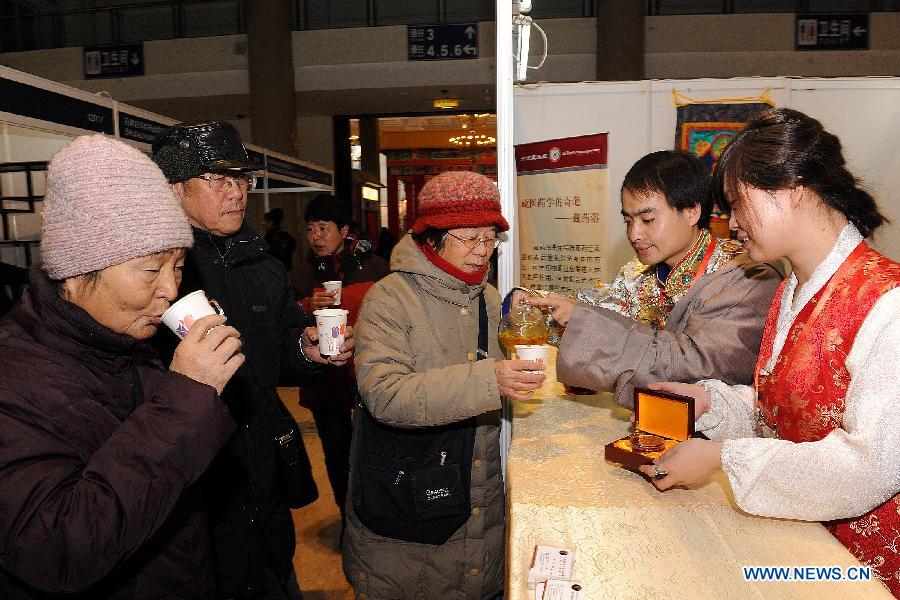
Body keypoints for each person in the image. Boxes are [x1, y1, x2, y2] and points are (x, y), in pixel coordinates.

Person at [638, 108, 900, 596]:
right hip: (800, 541)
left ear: (792, 188)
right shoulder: (790, 290)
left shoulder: (887, 304)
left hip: (863, 569)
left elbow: (870, 467)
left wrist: (722, 456)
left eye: (738, 204)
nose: (732, 223)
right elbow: (783, 409)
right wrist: (711, 403)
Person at [0, 134, 244, 597]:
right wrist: (187, 395)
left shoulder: (130, 350)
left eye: (177, 266)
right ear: (76, 271)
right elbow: (58, 549)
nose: (171, 289)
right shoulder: (13, 379)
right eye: (152, 270)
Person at [152, 121, 353, 599]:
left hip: (262, 470)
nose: (236, 192)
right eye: (218, 179)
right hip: (196, 483)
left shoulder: (261, 264)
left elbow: (281, 350)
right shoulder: (155, 271)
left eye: (241, 179)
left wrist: (306, 351)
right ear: (175, 188)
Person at [344, 171, 545, 598]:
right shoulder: (389, 299)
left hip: (477, 499)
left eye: (490, 238)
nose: (482, 251)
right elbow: (386, 394)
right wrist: (489, 379)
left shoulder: (487, 298)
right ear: (430, 237)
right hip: (405, 509)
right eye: (468, 238)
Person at [513, 150, 782, 407]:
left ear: (691, 212)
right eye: (628, 221)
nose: (634, 234)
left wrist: (581, 320)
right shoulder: (638, 273)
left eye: (648, 220)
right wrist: (528, 304)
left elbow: (702, 367)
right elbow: (593, 313)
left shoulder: (744, 276)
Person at [292, 194, 388, 522]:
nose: (316, 236)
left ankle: (375, 517)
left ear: (344, 230)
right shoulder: (304, 271)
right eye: (310, 229)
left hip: (367, 375)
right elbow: (288, 320)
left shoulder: (373, 265)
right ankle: (348, 518)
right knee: (335, 453)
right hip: (324, 380)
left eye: (323, 228)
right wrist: (308, 305)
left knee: (371, 450)